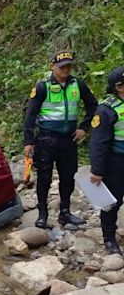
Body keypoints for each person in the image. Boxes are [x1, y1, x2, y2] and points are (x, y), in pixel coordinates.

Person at [24, 50, 98, 228]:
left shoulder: (77, 84)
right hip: (46, 139)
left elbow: (93, 105)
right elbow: (30, 114)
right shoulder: (43, 86)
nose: (65, 69)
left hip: (69, 139)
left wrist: (83, 127)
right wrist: (28, 141)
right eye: (62, 66)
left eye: (68, 66)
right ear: (53, 67)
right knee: (44, 177)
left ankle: (65, 213)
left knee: (67, 177)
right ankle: (42, 214)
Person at [89, 66, 124, 254]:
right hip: (115, 162)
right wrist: (97, 170)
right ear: (119, 87)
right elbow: (98, 143)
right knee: (112, 202)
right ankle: (109, 238)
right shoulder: (106, 109)